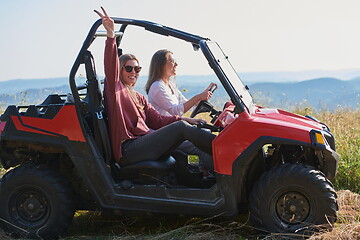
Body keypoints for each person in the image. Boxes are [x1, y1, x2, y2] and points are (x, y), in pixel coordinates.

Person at [94, 7, 215, 171]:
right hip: (129, 148)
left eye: (137, 69)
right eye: (128, 68)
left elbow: (158, 120)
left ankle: (215, 173)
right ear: (120, 70)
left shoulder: (139, 97)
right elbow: (111, 67)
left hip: (145, 141)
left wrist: (188, 120)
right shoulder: (116, 90)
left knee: (189, 139)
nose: (133, 72)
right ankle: (221, 146)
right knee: (181, 130)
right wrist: (110, 36)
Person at [145, 49, 217, 175]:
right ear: (161, 65)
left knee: (205, 132)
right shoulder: (157, 87)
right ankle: (218, 177)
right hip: (165, 134)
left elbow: (185, 103)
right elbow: (175, 110)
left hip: (175, 129)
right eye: (172, 61)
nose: (176, 64)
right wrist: (199, 96)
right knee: (200, 146)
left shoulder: (170, 85)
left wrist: (202, 97)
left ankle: (202, 171)